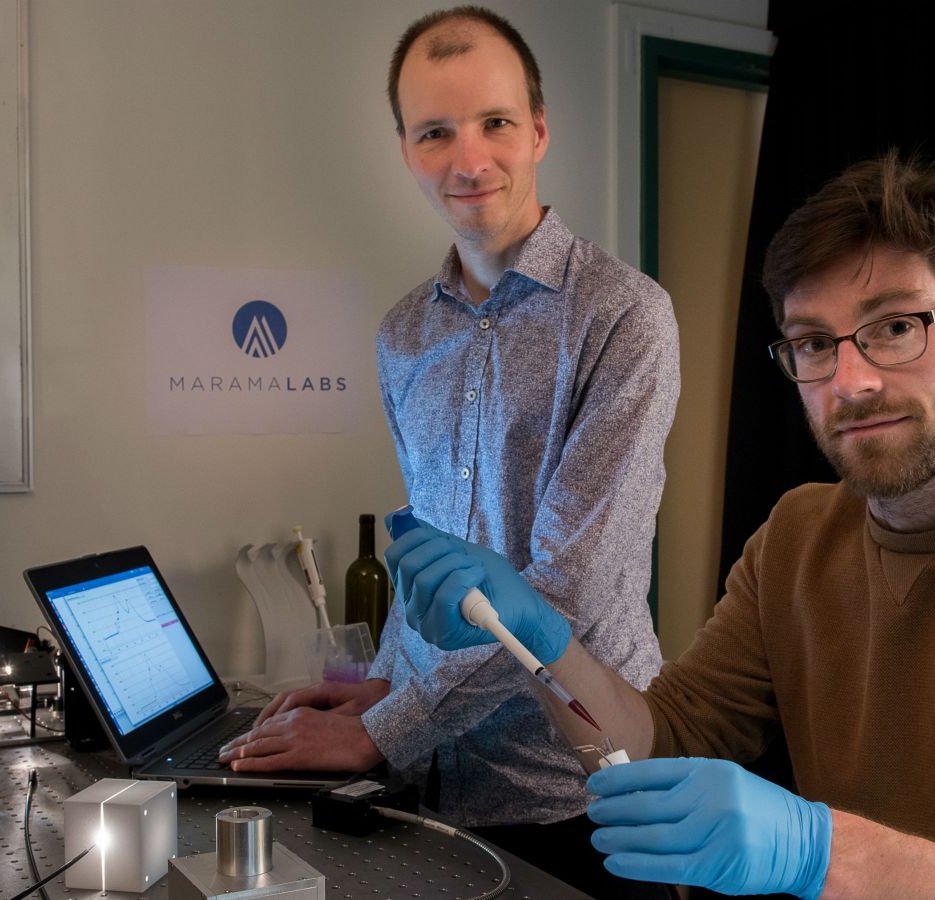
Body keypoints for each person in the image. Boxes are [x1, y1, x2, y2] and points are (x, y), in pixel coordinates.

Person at [386, 151, 935, 899]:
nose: (848, 382)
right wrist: (537, 640)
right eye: (813, 342)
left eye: (895, 327)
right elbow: (663, 740)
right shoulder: (801, 536)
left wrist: (822, 852)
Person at [220, 6, 677, 896]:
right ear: (405, 149)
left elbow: (561, 597)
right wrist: (383, 688)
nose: (468, 161)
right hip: (430, 784)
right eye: (436, 132)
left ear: (540, 130)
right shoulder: (403, 333)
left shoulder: (625, 318)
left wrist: (386, 729)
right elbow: (425, 551)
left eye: (495, 123)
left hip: (574, 790)